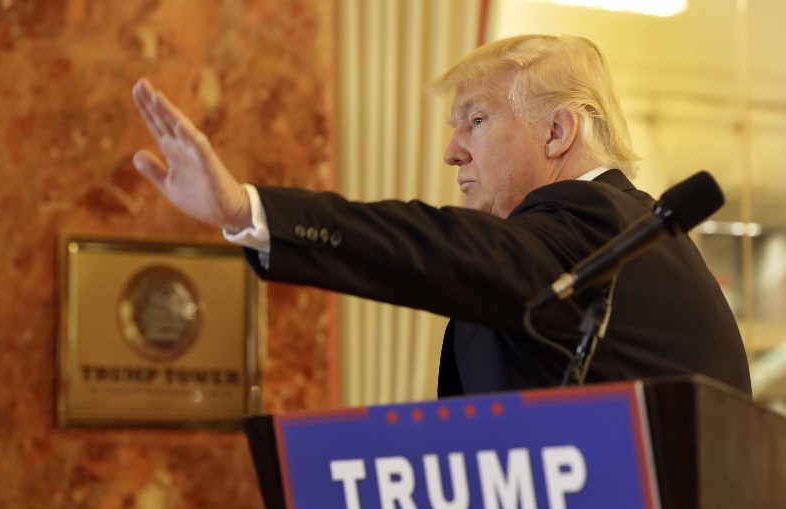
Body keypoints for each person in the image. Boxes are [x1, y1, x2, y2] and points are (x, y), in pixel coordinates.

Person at [131, 34, 752, 396]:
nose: (452, 151)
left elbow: (435, 244)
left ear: (559, 131)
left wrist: (248, 209)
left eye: (476, 121)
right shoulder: (586, 240)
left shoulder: (593, 222)